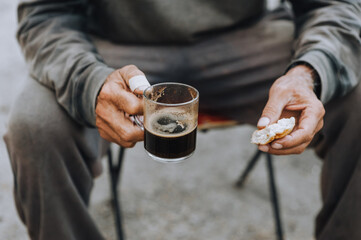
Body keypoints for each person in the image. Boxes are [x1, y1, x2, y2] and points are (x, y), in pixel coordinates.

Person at [3, 0, 361, 239]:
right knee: (35, 124)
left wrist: (309, 71)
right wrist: (89, 81)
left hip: (248, 39)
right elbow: (45, 16)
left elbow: (335, 5)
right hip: (113, 50)